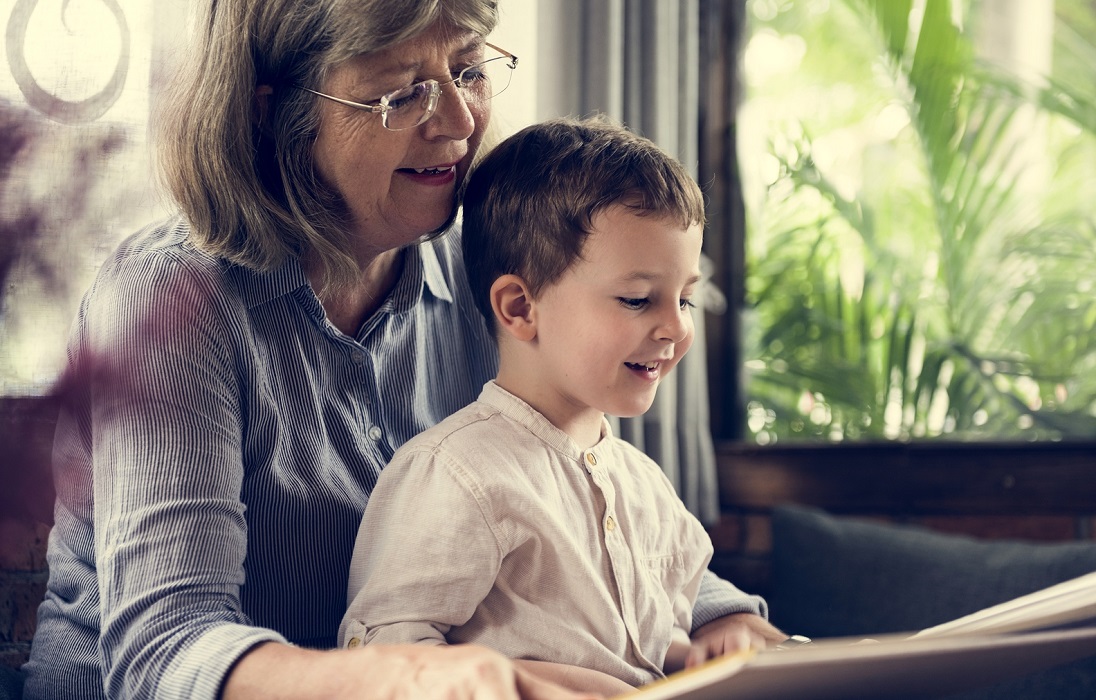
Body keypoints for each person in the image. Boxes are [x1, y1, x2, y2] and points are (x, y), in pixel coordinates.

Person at [21, 1, 778, 698]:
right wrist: (406, 673)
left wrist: (717, 616)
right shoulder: (170, 301)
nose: (458, 121)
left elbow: (586, 500)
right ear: (272, 108)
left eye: (469, 70)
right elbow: (163, 652)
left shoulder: (492, 272)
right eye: (399, 92)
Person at [338, 117, 786, 695]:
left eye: (685, 300)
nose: (675, 328)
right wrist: (522, 682)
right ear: (520, 308)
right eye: (637, 299)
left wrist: (711, 646)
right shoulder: (455, 473)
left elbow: (649, 643)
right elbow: (381, 649)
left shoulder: (644, 485)